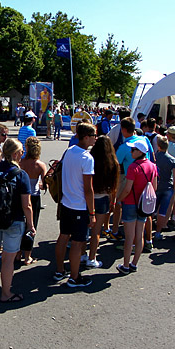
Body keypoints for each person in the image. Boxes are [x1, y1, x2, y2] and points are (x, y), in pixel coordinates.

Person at [0, 139, 34, 303]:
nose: (22, 154)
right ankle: (6, 293)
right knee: (8, 259)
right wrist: (30, 225)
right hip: (13, 220)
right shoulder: (20, 175)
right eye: (21, 152)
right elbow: (27, 204)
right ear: (16, 154)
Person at [53, 122, 96, 288]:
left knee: (63, 236)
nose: (95, 139)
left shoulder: (69, 151)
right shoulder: (87, 158)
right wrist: (92, 213)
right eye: (93, 136)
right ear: (86, 137)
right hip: (79, 205)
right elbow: (88, 189)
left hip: (66, 202)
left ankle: (59, 270)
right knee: (78, 243)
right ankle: (74, 277)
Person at [115, 138, 158, 274]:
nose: (131, 152)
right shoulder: (152, 166)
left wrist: (117, 200)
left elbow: (127, 189)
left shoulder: (133, 167)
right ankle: (134, 263)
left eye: (133, 150)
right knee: (139, 235)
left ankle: (126, 265)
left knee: (129, 237)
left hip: (130, 203)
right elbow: (154, 187)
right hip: (144, 205)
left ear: (139, 152)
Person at [86, 134, 118, 268]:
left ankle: (82, 254)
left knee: (84, 230)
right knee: (96, 231)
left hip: (89, 198)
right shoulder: (113, 163)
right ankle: (92, 257)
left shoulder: (90, 159)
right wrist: (113, 202)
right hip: (104, 198)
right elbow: (114, 187)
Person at [19, 137, 48, 266]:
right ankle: (27, 256)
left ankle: (17, 253)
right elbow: (45, 183)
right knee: (32, 225)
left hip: (20, 196)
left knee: (20, 224)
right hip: (34, 197)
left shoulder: (21, 162)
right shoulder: (40, 165)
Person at [152, 136, 175, 241]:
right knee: (163, 211)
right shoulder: (172, 160)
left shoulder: (154, 158)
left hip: (156, 186)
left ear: (158, 146)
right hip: (168, 187)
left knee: (151, 210)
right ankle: (158, 232)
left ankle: (147, 230)